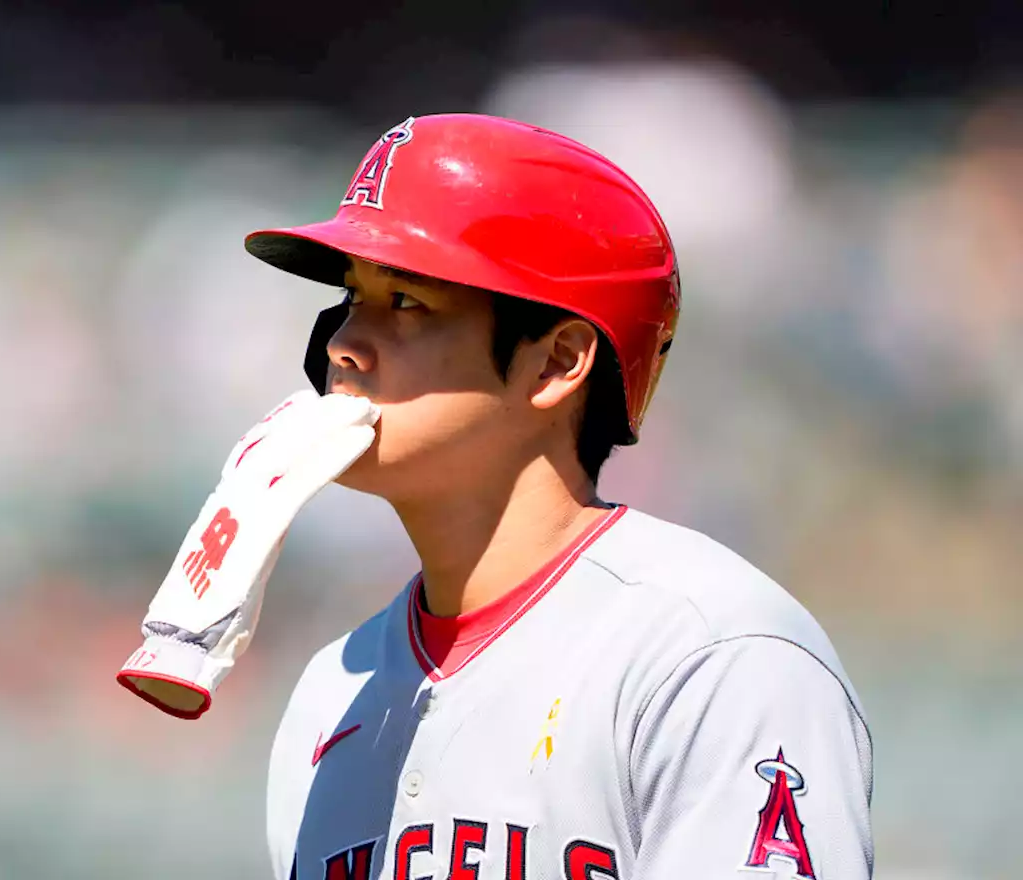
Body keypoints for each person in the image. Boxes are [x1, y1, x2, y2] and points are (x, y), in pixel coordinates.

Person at [118, 114, 873, 880]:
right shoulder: (330, 694)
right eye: (353, 297)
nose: (346, 342)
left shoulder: (709, 656)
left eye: (408, 302)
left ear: (557, 363)